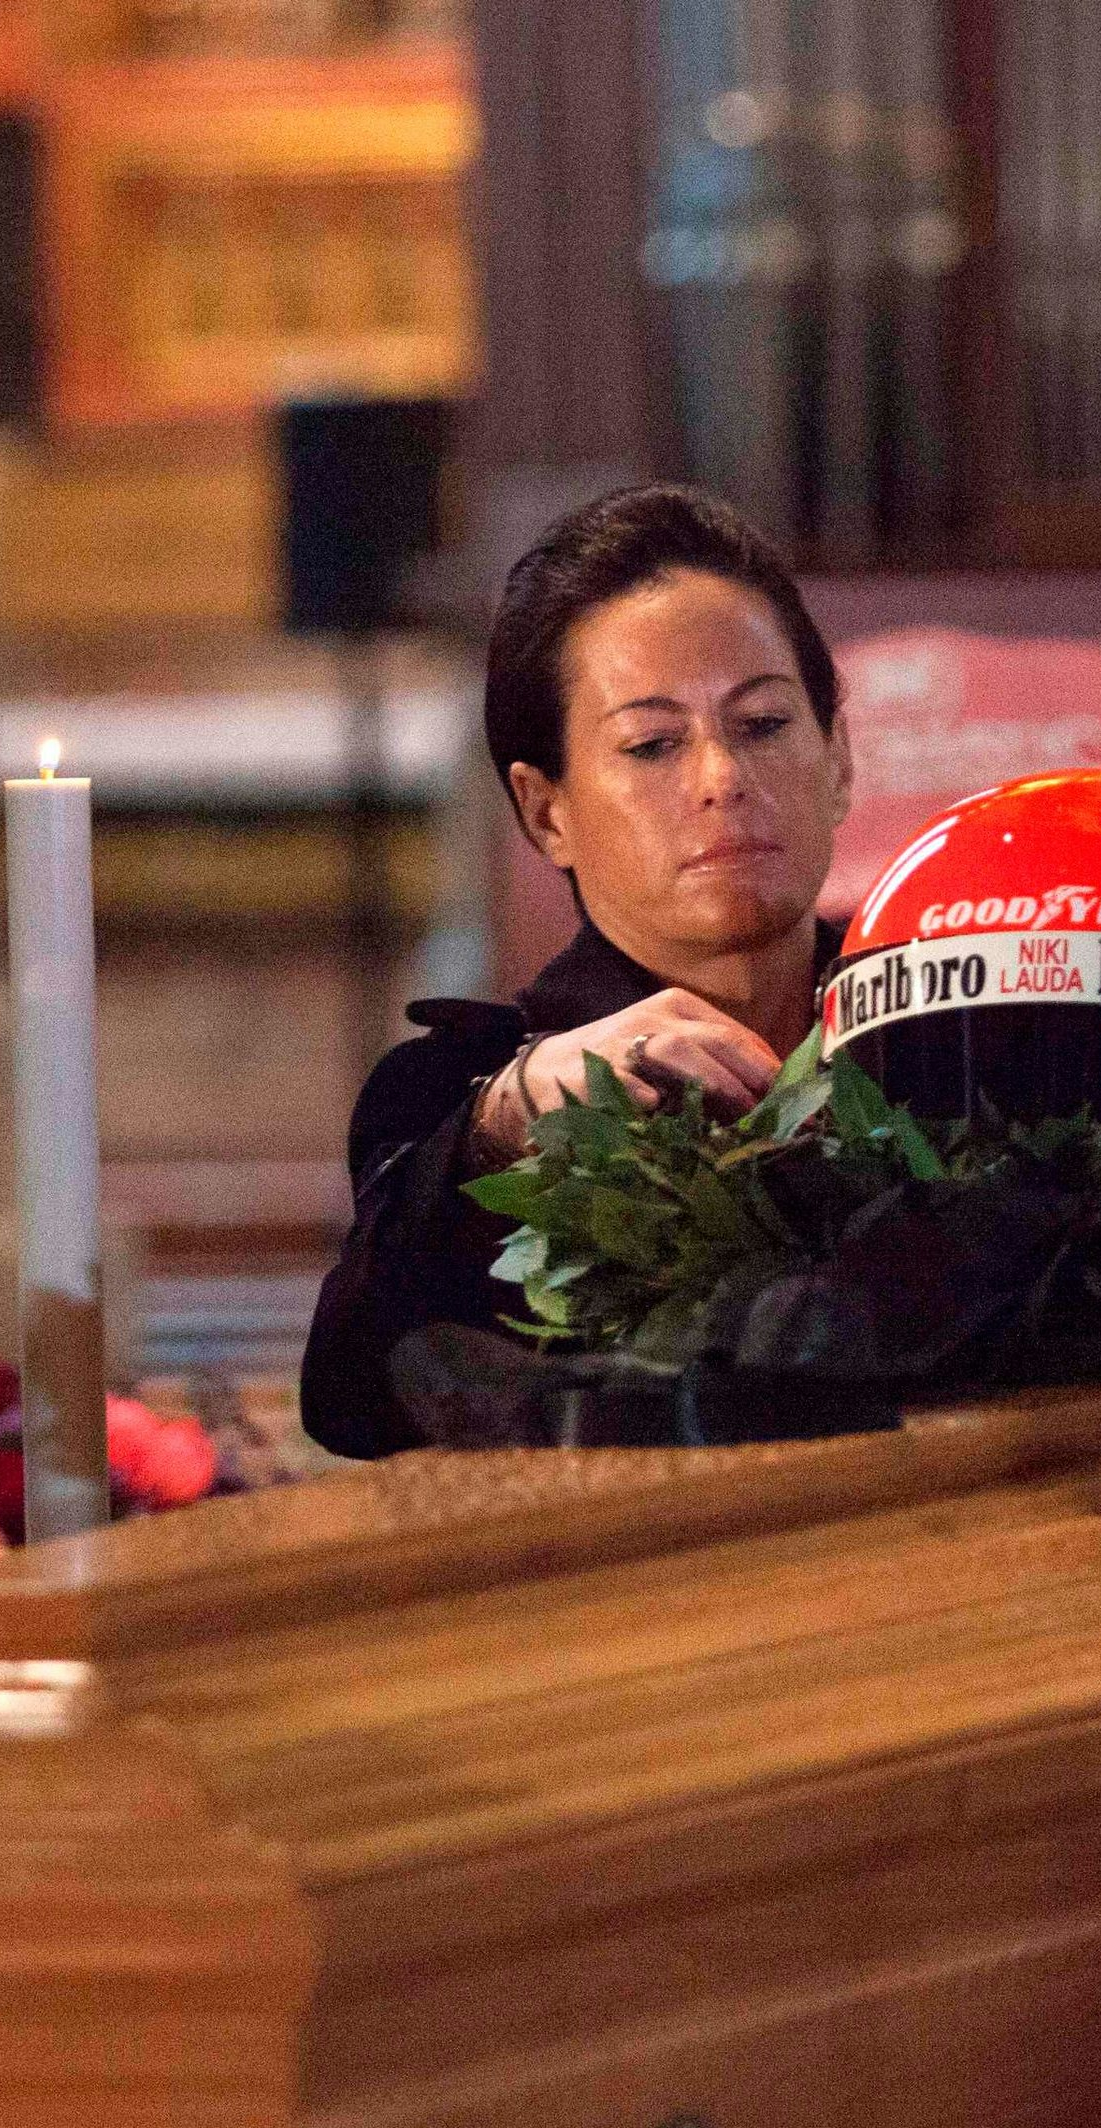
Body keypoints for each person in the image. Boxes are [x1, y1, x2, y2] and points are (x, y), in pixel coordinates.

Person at [300, 485, 854, 1457]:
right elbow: (354, 1396)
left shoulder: (949, 1024)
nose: (722, 776)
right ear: (544, 808)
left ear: (839, 754)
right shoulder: (457, 1100)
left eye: (763, 723)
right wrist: (506, 1124)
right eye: (651, 743)